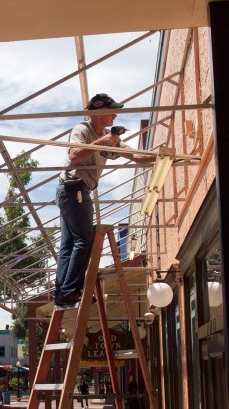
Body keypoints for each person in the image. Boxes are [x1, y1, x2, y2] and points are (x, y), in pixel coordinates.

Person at [54, 93, 154, 306]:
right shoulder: (82, 130)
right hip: (74, 189)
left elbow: (136, 156)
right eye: (112, 110)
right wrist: (103, 142)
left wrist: (163, 157)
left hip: (74, 191)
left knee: (70, 244)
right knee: (84, 240)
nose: (116, 115)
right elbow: (74, 155)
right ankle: (70, 290)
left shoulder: (109, 138)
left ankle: (62, 293)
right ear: (99, 111)